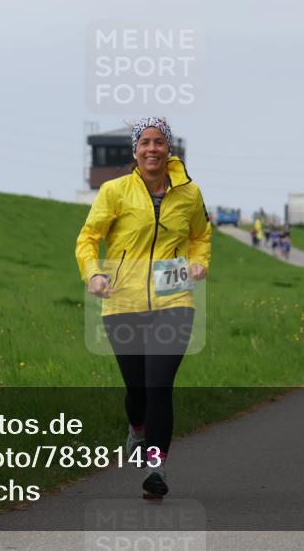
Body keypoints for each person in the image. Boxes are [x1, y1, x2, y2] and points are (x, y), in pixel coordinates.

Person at [75, 117, 211, 500]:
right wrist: (94, 275)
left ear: (170, 150)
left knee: (158, 384)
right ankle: (137, 429)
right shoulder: (115, 191)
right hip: (124, 302)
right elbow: (88, 238)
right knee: (137, 387)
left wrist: (201, 262)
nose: (152, 149)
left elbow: (201, 234)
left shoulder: (189, 193)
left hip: (175, 299)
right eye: (145, 143)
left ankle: (156, 465)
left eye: (159, 142)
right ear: (135, 151)